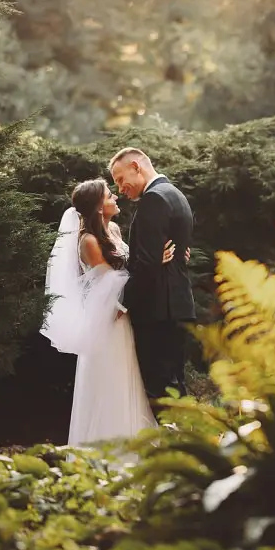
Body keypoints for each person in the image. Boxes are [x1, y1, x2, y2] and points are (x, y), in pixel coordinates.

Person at [40, 178, 182, 446]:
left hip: (124, 318)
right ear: (97, 207)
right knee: (111, 384)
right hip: (108, 323)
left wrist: (158, 261)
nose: (115, 197)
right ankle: (109, 451)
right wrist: (152, 266)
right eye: (108, 195)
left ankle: (136, 443)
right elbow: (110, 287)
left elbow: (132, 268)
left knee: (132, 379)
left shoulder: (114, 230)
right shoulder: (89, 241)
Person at [107, 147, 197, 411]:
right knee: (175, 386)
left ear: (136, 166)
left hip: (159, 311)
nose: (121, 189)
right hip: (176, 306)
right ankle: (189, 445)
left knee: (161, 392)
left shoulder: (154, 199)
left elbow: (146, 264)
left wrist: (121, 303)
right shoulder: (175, 194)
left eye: (121, 179)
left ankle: (178, 448)